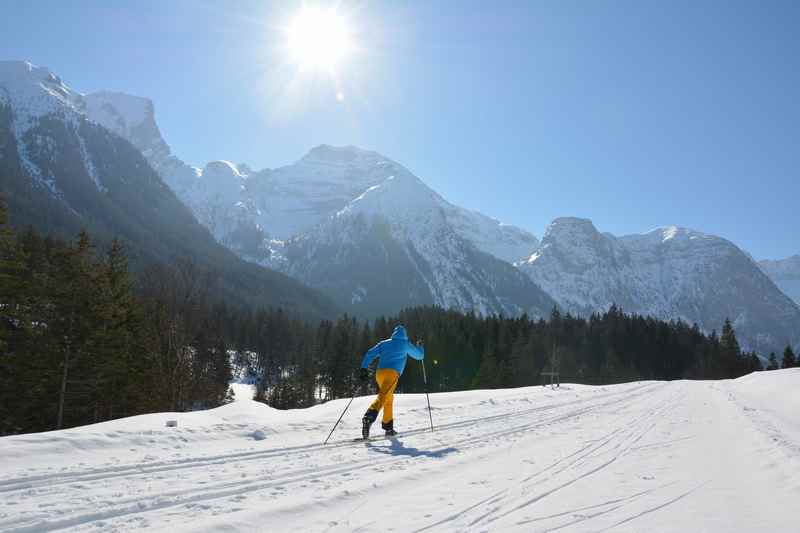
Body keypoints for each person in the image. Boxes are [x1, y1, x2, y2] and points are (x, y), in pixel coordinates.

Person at [359, 325, 424, 438]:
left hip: (379, 374)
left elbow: (370, 353)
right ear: (405, 334)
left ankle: (388, 427)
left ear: (394, 333)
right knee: (383, 396)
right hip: (392, 374)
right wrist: (420, 346)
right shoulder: (405, 344)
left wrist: (364, 368)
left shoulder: (384, 343)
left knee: (389, 397)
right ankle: (368, 417)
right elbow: (419, 356)